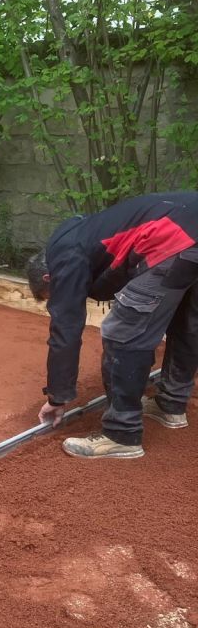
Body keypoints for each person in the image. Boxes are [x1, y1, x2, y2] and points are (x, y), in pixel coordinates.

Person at [26, 192, 198, 459]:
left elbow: (66, 330)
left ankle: (121, 434)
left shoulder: (65, 257)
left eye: (54, 293)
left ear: (49, 277)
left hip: (172, 238)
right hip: (188, 227)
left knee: (123, 331)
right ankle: (170, 406)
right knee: (186, 322)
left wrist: (57, 397)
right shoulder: (83, 235)